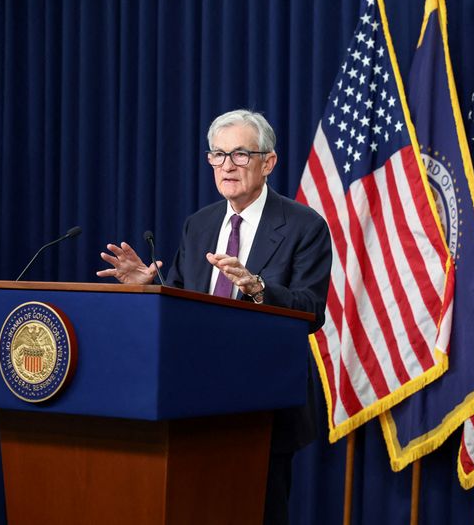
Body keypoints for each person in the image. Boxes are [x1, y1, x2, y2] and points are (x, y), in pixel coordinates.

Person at [97, 109, 332, 524]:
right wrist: (150, 288)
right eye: (217, 155)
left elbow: (312, 311)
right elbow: (187, 310)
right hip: (195, 400)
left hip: (265, 402)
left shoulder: (304, 226)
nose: (227, 165)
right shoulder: (200, 224)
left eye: (240, 154)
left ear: (268, 162)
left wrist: (259, 288)